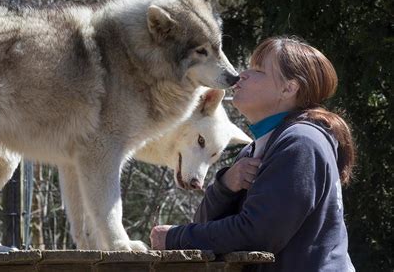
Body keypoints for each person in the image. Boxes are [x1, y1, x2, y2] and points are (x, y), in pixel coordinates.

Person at [150, 36, 356, 271]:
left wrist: (175, 238)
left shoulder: (301, 143)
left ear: (289, 88)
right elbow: (206, 225)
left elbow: (258, 234)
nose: (242, 74)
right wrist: (224, 186)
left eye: (258, 70)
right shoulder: (258, 148)